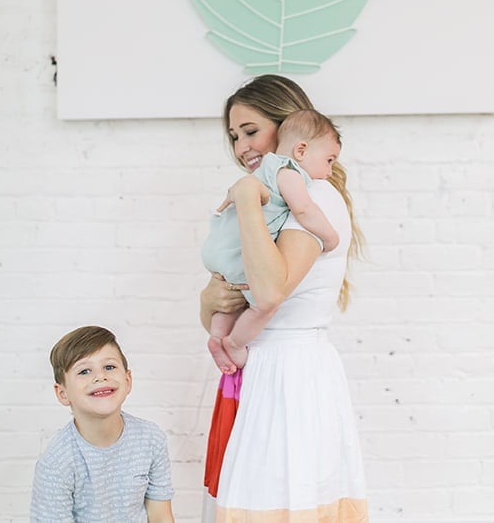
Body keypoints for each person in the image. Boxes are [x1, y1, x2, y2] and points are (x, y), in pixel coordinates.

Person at [200, 74, 368, 523]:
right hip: (261, 371)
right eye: (234, 137)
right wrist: (209, 296)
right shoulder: (278, 200)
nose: (241, 148)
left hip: (290, 377)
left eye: (251, 131)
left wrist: (246, 198)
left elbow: (270, 292)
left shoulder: (312, 197)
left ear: (290, 129)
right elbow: (226, 299)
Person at [203, 108, 341, 374]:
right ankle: (231, 342)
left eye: (251, 131)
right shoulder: (290, 174)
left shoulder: (261, 176)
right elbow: (267, 299)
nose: (242, 147)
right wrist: (330, 237)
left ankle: (219, 337)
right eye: (329, 161)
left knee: (236, 304)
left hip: (218, 250)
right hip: (280, 359)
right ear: (301, 150)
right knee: (259, 306)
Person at [30, 325, 175, 523]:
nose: (100, 377)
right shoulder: (56, 463)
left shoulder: (151, 439)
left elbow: (160, 515)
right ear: (63, 393)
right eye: (84, 371)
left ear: (128, 379)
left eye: (109, 367)